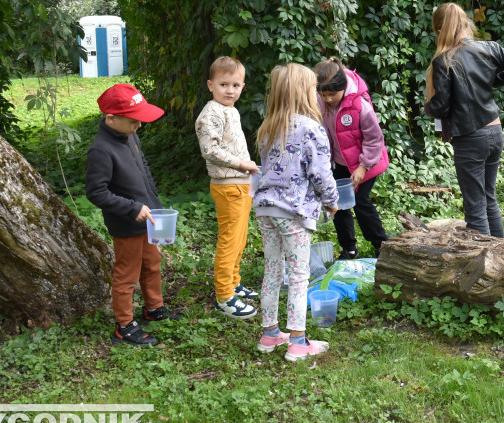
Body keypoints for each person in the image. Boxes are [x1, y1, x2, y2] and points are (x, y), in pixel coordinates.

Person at [425, 3, 504, 238]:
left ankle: (485, 265)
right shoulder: (489, 49)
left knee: (475, 206)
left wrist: (428, 106)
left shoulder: (444, 61)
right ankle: (502, 255)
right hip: (494, 132)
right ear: (466, 24)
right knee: (488, 198)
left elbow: (441, 106)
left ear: (438, 30)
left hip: (470, 138)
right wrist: (491, 78)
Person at [252, 64, 339, 360]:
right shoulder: (311, 128)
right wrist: (332, 201)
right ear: (305, 92)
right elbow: (321, 174)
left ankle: (270, 334)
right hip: (293, 213)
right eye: (314, 88)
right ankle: (298, 341)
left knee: (273, 271)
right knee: (299, 276)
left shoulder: (268, 127)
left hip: (265, 210)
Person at [86, 83, 181, 346]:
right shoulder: (101, 150)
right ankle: (124, 326)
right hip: (127, 224)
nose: (139, 125)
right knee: (127, 275)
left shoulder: (130, 136)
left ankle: (154, 307)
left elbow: (144, 170)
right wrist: (132, 208)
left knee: (152, 265)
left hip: (149, 219)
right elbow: (96, 192)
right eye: (133, 121)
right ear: (111, 119)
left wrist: (154, 202)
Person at [195, 56, 260, 320]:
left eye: (235, 85)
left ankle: (234, 282)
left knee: (240, 238)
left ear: (243, 87)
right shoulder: (210, 114)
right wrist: (241, 163)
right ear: (211, 85)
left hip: (242, 184)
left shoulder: (230, 110)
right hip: (228, 186)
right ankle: (225, 295)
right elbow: (209, 150)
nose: (230, 90)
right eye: (224, 84)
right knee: (229, 241)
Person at [313, 57, 390, 259]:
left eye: (332, 95)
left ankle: (381, 245)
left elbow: (375, 139)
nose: (328, 99)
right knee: (337, 204)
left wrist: (363, 167)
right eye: (323, 94)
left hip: (366, 162)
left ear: (343, 87)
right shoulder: (321, 101)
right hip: (340, 163)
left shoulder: (359, 104)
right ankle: (349, 248)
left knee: (361, 202)